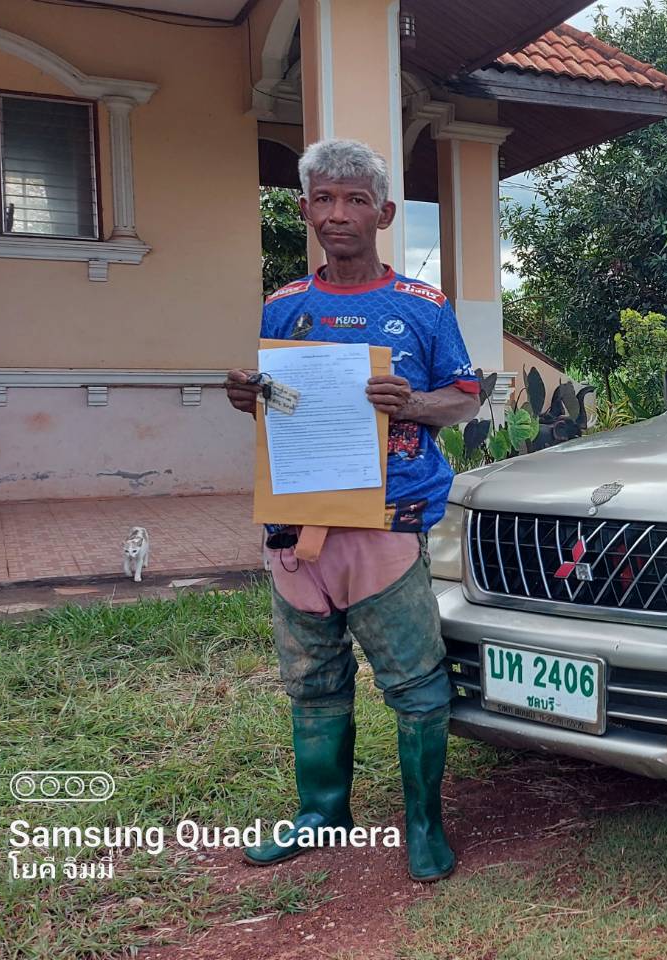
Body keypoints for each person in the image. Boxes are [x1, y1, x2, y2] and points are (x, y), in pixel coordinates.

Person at [224, 138, 480, 883]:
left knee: (415, 681)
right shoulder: (285, 307)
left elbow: (464, 398)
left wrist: (415, 403)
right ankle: (321, 812)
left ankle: (424, 825)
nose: (339, 214)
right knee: (311, 678)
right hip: (298, 523)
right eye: (325, 199)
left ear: (384, 214)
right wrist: (251, 398)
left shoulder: (422, 308)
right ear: (304, 209)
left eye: (356, 200)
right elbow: (288, 405)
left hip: (388, 521)